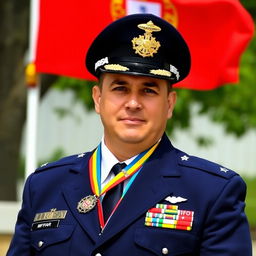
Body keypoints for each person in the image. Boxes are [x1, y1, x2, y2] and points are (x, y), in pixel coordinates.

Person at [7, 14, 252, 256]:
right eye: (120, 88)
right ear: (98, 98)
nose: (133, 103)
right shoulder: (44, 185)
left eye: (148, 90)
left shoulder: (212, 192)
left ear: (169, 103)